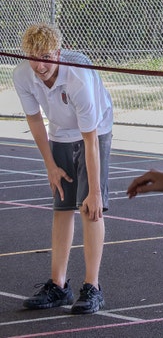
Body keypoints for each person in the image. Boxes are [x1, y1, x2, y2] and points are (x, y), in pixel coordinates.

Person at [13, 23, 113, 314]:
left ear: (58, 52)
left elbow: (90, 138)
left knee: (89, 209)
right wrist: (51, 166)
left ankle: (92, 287)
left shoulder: (77, 78)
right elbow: (34, 121)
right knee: (61, 207)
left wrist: (94, 191)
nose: (40, 64)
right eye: (33, 56)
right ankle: (59, 286)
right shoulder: (23, 75)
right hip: (59, 132)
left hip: (95, 131)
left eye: (46, 56)